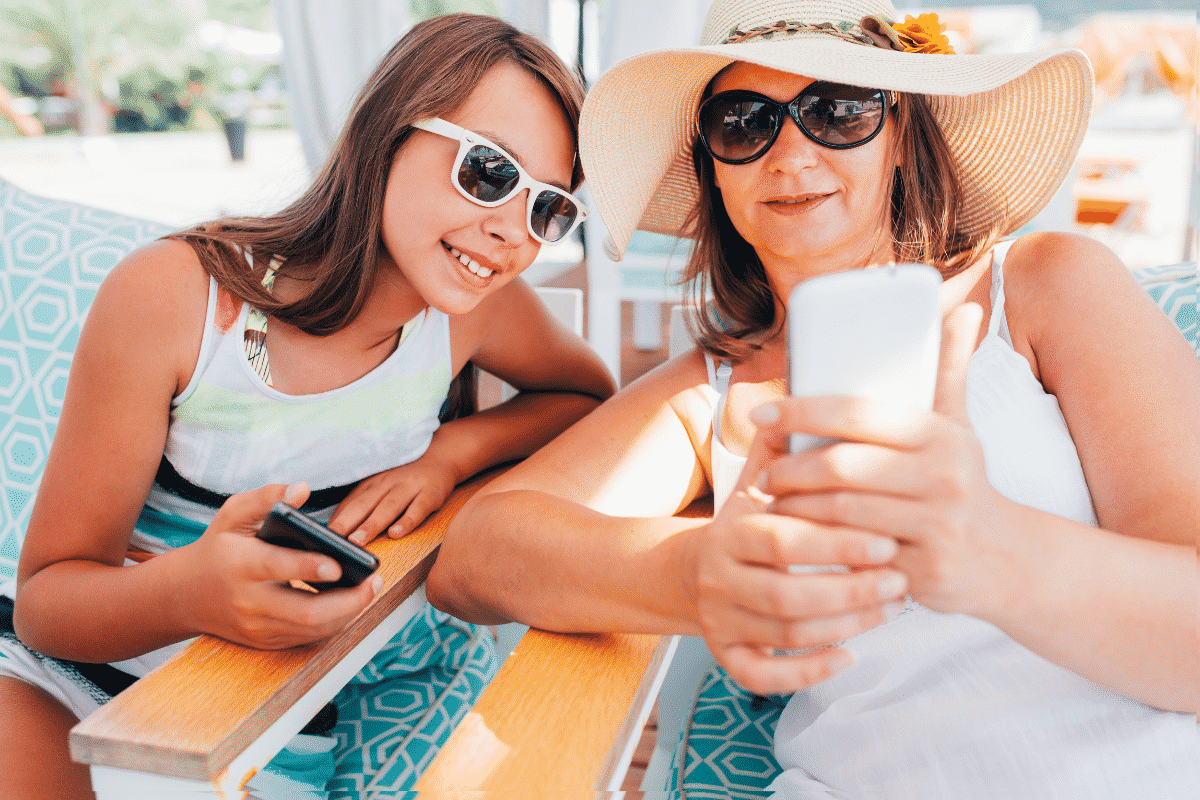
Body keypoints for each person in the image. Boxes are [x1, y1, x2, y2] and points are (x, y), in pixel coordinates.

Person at [426, 0, 1200, 796]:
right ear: (712, 169)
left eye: (838, 110)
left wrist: (993, 548)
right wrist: (692, 574)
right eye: (742, 123)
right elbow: (478, 556)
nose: (791, 155)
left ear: (901, 135)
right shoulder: (710, 392)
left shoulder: (1043, 287)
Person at [0, 13, 614, 800]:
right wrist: (189, 593)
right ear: (387, 132)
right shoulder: (176, 297)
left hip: (272, 728)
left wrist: (448, 458)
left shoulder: (470, 313)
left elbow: (584, 395)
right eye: (489, 172)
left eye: (547, 208)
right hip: (65, 692)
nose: (511, 233)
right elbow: (47, 606)